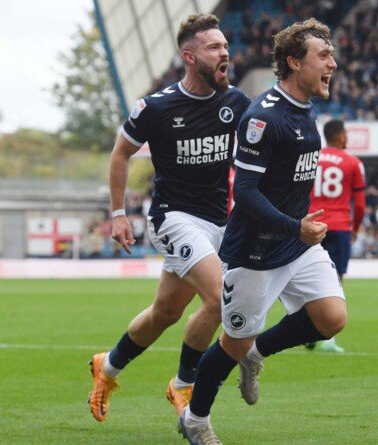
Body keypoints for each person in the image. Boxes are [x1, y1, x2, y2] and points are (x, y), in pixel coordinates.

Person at [178, 19, 345, 444]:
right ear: (294, 62)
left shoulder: (306, 109)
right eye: (323, 56)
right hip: (255, 249)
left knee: (331, 317)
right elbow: (246, 192)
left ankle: (257, 352)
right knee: (231, 343)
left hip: (296, 241)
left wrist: (298, 230)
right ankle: (195, 420)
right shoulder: (264, 117)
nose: (332, 63)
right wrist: (296, 226)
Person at [87, 13, 250, 422]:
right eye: (214, 47)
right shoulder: (156, 107)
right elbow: (121, 153)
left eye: (225, 46)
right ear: (189, 57)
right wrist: (120, 213)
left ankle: (106, 367)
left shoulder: (237, 102)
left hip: (217, 221)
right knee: (219, 298)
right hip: (173, 217)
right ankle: (183, 385)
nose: (224, 53)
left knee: (166, 312)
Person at [305, 118, 365, 353]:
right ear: (339, 136)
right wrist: (355, 229)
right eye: (346, 133)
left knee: (307, 277)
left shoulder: (312, 158)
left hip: (312, 224)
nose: (347, 138)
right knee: (336, 280)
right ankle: (328, 338)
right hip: (339, 226)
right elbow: (359, 205)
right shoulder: (353, 163)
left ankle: (305, 329)